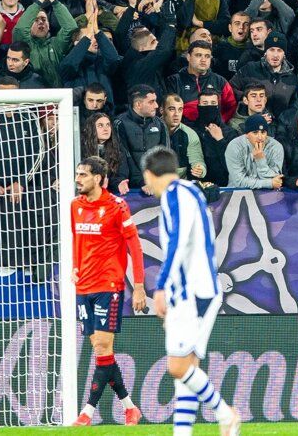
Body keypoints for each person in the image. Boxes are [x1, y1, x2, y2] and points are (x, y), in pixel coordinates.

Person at [139, 146, 240, 436]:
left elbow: (178, 242)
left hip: (193, 291)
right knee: (187, 370)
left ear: (149, 174)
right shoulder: (191, 190)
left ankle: (225, 413)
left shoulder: (174, 195)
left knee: (177, 366)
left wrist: (160, 287)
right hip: (197, 289)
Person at [70, 155, 149, 426]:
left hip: (108, 285)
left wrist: (138, 286)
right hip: (84, 287)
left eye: (83, 175)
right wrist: (74, 266)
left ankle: (87, 412)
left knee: (103, 347)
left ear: (99, 179)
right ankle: (130, 407)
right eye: (78, 174)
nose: (78, 179)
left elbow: (135, 247)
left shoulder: (117, 207)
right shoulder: (75, 206)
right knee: (101, 352)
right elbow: (77, 241)